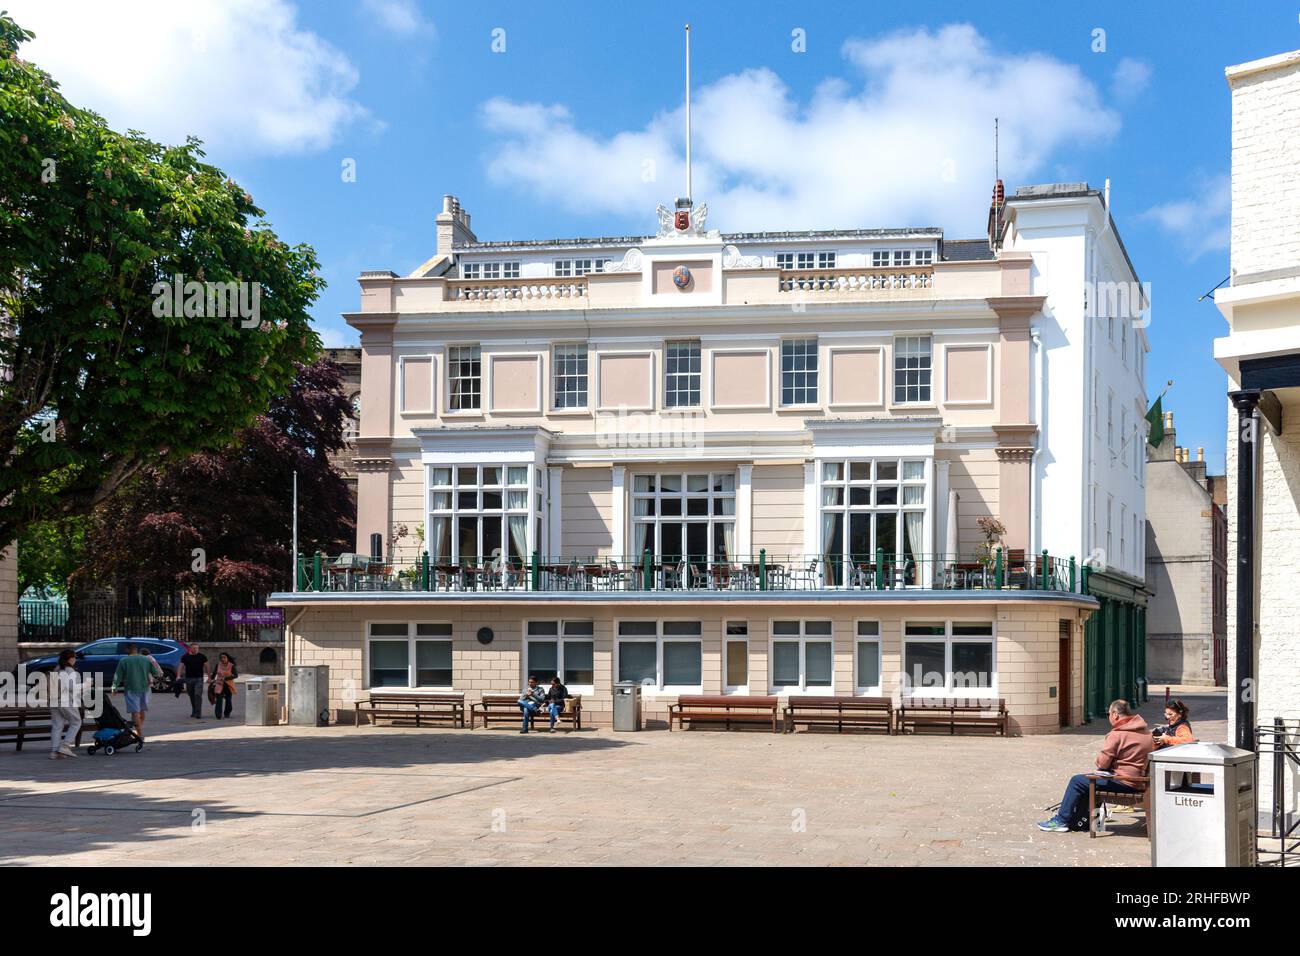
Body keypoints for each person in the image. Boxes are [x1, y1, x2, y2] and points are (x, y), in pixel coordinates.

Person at [1037, 699, 1155, 833]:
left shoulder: (1117, 734)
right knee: (1088, 782)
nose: (1109, 717)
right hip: (1141, 783)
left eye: (1108, 714)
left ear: (1115, 714)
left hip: (1125, 783)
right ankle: (1084, 822)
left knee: (1077, 781)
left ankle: (1061, 820)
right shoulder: (1146, 732)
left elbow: (1102, 763)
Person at [110, 643, 160, 743]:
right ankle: (138, 731)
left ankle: (139, 735)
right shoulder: (146, 659)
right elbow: (155, 672)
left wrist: (114, 687)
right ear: (136, 649)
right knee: (142, 711)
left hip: (131, 689)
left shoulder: (124, 660)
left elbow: (118, 675)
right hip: (145, 689)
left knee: (135, 712)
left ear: (127, 650)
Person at [48, 650, 82, 760]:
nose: (75, 659)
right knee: (76, 722)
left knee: (57, 725)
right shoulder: (70, 670)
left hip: (54, 700)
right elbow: (72, 687)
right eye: (74, 657)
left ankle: (54, 752)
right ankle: (65, 746)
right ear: (71, 659)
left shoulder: (57, 669)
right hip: (65, 701)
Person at [176, 643, 210, 719]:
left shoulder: (202, 656)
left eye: (197, 648)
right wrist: (178, 676)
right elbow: (181, 666)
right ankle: (194, 710)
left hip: (199, 679)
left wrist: (209, 677)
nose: (195, 649)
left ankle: (198, 713)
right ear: (190, 648)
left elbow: (207, 666)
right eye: (194, 648)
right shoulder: (185, 657)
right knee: (192, 696)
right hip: (189, 679)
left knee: (197, 695)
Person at [209, 653, 238, 720]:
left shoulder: (231, 666)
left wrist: (226, 678)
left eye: (224, 657)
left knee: (228, 700)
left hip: (228, 685)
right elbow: (214, 674)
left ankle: (227, 713)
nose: (223, 659)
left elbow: (236, 675)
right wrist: (211, 679)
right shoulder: (218, 665)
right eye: (221, 658)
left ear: (227, 658)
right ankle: (218, 715)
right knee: (219, 699)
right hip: (219, 684)